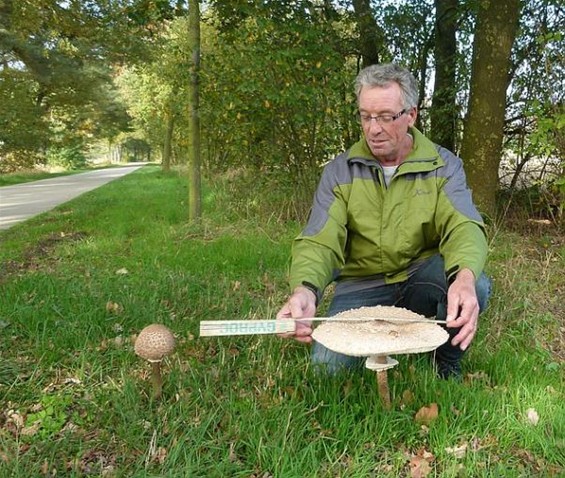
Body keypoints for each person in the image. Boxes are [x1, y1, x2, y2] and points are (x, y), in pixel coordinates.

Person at [276, 63, 491, 379]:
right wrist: (305, 290)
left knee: (478, 285)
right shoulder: (339, 172)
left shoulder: (443, 165)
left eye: (386, 117)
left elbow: (463, 224)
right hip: (363, 284)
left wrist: (465, 277)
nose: (374, 128)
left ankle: (446, 360)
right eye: (366, 116)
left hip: (420, 274)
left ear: (411, 115)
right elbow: (320, 239)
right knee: (326, 370)